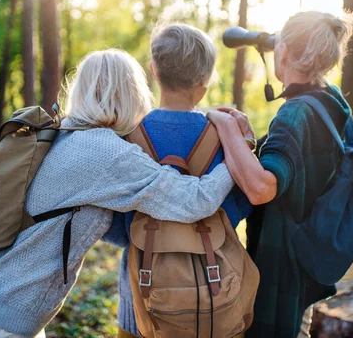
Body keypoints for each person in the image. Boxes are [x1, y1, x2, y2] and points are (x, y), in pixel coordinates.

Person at [0, 49, 245, 338]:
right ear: (130, 92)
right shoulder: (104, 152)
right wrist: (238, 152)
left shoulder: (65, 134)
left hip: (0, 307)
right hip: (5, 318)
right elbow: (194, 201)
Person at [208, 10, 353, 338]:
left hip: (283, 269)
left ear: (285, 52)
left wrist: (225, 126)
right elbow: (298, 164)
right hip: (309, 259)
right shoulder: (330, 101)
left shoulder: (295, 112)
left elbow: (263, 188)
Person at [102, 23, 256, 338]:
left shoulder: (126, 135)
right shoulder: (224, 135)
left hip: (143, 300)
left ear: (153, 71)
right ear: (207, 77)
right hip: (216, 299)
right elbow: (240, 205)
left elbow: (115, 224)